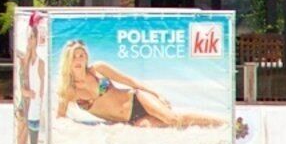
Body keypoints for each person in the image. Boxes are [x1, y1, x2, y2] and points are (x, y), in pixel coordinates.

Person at [53, 40, 224, 130]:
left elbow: (129, 81)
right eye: (74, 56)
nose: (79, 59)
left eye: (81, 55)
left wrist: (156, 94)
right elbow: (60, 118)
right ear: (67, 60)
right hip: (130, 120)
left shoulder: (98, 69)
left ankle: (223, 123)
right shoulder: (69, 91)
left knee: (172, 119)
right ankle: (219, 122)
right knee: (158, 125)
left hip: (137, 99)